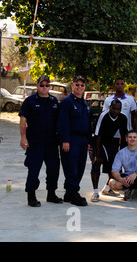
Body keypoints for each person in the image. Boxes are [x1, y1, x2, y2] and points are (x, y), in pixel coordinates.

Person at [19, 75, 62, 207]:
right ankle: (31, 196)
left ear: (50, 87)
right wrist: (23, 137)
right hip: (35, 142)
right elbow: (23, 120)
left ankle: (51, 194)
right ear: (37, 86)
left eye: (47, 85)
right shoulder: (30, 101)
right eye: (41, 85)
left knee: (54, 169)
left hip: (51, 143)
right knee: (34, 170)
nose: (44, 87)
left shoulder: (54, 101)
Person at [57, 75, 91, 206]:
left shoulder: (84, 102)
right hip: (71, 139)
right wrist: (65, 140)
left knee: (80, 167)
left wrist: (88, 141)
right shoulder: (67, 102)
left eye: (82, 85)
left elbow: (87, 123)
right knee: (71, 167)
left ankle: (69, 193)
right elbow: (63, 122)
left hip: (82, 139)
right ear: (72, 86)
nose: (80, 87)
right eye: (77, 85)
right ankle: (74, 193)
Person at [90, 99, 128, 202]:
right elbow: (97, 136)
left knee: (114, 166)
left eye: (118, 109)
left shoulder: (123, 117)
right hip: (98, 142)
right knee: (96, 163)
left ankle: (107, 188)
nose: (116, 111)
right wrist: (97, 155)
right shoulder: (103, 116)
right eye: (114, 108)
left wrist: (123, 152)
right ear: (110, 107)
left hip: (111, 142)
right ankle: (95, 192)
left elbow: (124, 136)